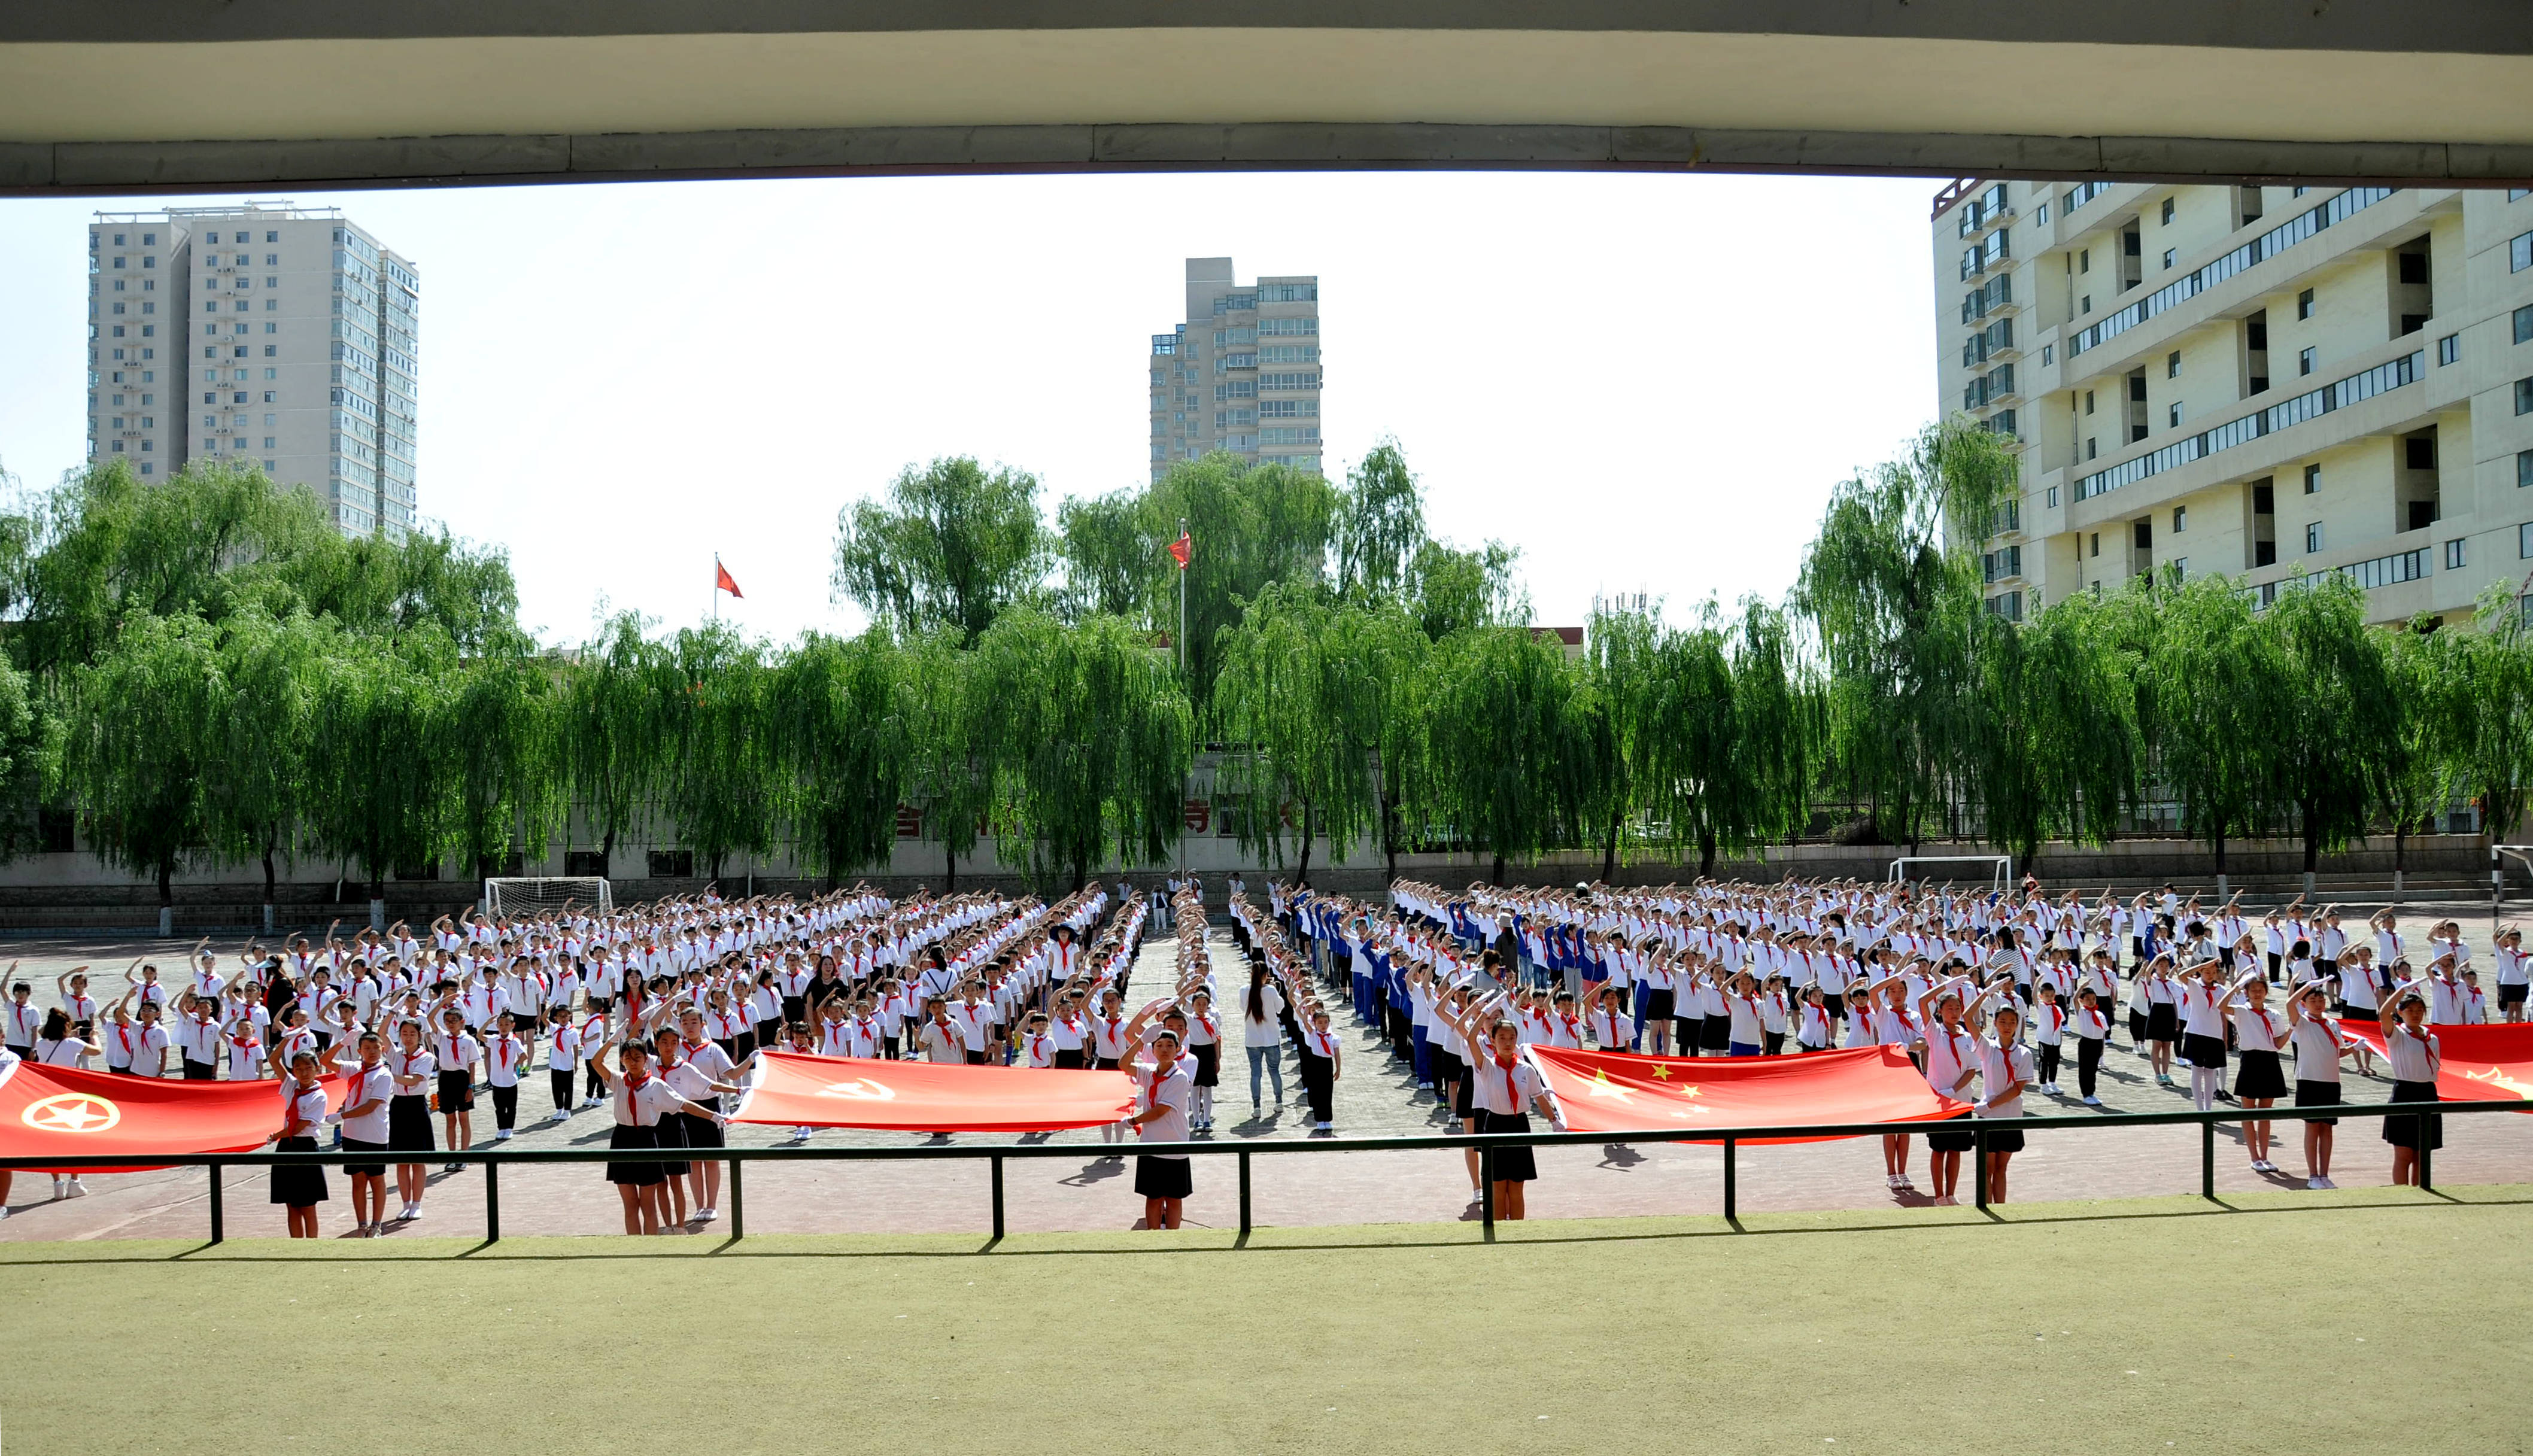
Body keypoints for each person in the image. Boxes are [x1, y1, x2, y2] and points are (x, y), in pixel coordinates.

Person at [1442, 990, 1559, 1221]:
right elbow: (1471, 1034)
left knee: (1516, 1187)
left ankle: (1517, 1231)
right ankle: (1498, 1232)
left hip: (1520, 1126)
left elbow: (1540, 1097)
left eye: (1511, 1038)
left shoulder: (1526, 1069)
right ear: (1493, 1042)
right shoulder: (1486, 1066)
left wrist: (1555, 1122)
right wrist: (1485, 1010)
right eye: (1501, 1038)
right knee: (1496, 1187)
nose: (1507, 1043)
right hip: (1494, 1125)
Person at [1120, 1026, 1193, 1229]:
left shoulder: (1179, 1077)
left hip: (1174, 1148)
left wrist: (1134, 1121)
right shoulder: (1149, 1072)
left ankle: (1172, 1238)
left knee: (1173, 1198)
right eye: (1159, 1045)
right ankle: (1152, 1237)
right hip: (1150, 1146)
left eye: (1170, 1045)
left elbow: (1161, 1110)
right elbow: (1123, 1064)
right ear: (1153, 1051)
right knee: (1153, 1198)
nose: (1164, 1049)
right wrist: (1141, 1040)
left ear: (1178, 1049)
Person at [2285, 981, 2356, 1190]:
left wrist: (2355, 1048)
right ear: (2304, 1003)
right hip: (2309, 1081)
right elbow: (2290, 1004)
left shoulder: (2333, 1024)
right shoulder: (2302, 1022)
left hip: (2332, 1082)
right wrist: (2307, 987)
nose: (2318, 1003)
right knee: (2312, 1128)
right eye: (2312, 1000)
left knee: (2327, 1129)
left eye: (2321, 999)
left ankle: (2325, 1174)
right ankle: (2313, 1175)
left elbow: (2338, 1052)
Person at [2378, 977, 2443, 1188]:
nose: (2415, 1014)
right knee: (2404, 1154)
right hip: (2405, 1092)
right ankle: (2401, 1193)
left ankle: (2421, 1191)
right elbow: (2383, 1014)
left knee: (2422, 1154)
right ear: (2401, 1013)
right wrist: (2401, 991)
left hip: (2428, 1093)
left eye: (2419, 1010)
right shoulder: (2397, 1035)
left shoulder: (2432, 1038)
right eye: (2410, 1010)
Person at [2225, 971, 2288, 1174]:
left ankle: (2265, 1157)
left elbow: (2278, 1044)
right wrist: (2236, 987)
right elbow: (2220, 1007)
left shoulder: (2275, 1014)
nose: (2257, 994)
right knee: (2248, 1111)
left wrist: (2292, 1029)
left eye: (2261, 991)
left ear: (2266, 992)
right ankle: (2254, 1157)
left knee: (2266, 1113)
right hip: (2250, 1061)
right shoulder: (2242, 1011)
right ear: (2247, 993)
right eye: (2253, 991)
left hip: (2270, 1061)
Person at [333, 1030, 393, 1236]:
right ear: (359, 1051)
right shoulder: (353, 1068)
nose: (372, 1052)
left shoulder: (384, 1074)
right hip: (352, 1135)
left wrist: (341, 1116)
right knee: (357, 1181)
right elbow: (325, 1060)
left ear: (382, 1049)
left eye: (376, 1047)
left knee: (376, 1180)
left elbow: (371, 1106)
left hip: (375, 1135)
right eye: (367, 1048)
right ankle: (362, 1224)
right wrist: (342, 1042)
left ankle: (377, 1225)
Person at [1974, 998, 2033, 1204]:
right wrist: (1987, 992)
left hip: (2010, 1117)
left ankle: (2001, 1207)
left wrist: (1988, 1105)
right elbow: (1967, 1018)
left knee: (2001, 1168)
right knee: (1987, 1168)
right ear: (1995, 1023)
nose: (2007, 1027)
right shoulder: (1987, 1048)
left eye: (2012, 1022)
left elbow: (2017, 1089)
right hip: (1988, 1120)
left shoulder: (2024, 1053)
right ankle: (1986, 1207)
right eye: (2003, 1022)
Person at [268, 1049, 332, 1238]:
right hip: (287, 1147)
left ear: (317, 1069)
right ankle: (295, 1243)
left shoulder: (319, 1096)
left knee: (308, 1204)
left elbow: (299, 1127)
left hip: (305, 1147)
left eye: (308, 1068)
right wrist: (287, 1037)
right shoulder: (291, 1087)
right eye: (298, 1069)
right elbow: (273, 1060)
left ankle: (312, 1245)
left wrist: (275, 1135)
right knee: (291, 1203)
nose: (304, 1073)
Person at [385, 1020, 438, 1223]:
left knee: (417, 1159)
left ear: (419, 1035)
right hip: (398, 1106)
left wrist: (388, 1075)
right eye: (404, 1033)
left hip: (416, 1107)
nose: (408, 1037)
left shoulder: (427, 1057)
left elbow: (414, 1080)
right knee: (401, 1161)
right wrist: (393, 1009)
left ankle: (417, 1204)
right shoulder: (396, 1054)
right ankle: (405, 1204)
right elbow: (381, 1032)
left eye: (412, 1034)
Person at [432, 1007, 480, 1174]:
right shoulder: (442, 1038)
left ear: (462, 1022)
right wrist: (443, 1002)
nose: (450, 1024)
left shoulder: (468, 1040)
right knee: (450, 1120)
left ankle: (464, 1155)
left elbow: (472, 1066)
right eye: (447, 1021)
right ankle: (452, 1156)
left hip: (462, 1078)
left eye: (454, 1021)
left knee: (464, 1119)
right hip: (446, 1079)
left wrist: (471, 1087)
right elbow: (431, 1019)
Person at [1241, 963, 1286, 1113]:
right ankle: (1279, 1102)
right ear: (1266, 975)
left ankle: (1257, 1106)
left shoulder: (1244, 991)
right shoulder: (1271, 990)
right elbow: (1280, 1008)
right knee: (1274, 1071)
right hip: (1271, 1038)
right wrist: (1273, 988)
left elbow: (1243, 1008)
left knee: (1255, 1074)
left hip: (1252, 1039)